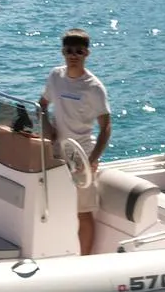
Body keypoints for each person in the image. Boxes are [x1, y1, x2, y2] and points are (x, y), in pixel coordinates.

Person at [38, 29, 112, 255]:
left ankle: (85, 259)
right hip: (57, 152)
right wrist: (49, 129)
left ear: (87, 54)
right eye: (69, 51)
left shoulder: (94, 87)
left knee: (83, 211)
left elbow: (106, 127)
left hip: (81, 156)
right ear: (63, 52)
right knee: (56, 205)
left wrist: (91, 160)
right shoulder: (55, 77)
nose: (73, 55)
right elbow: (41, 105)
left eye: (79, 51)